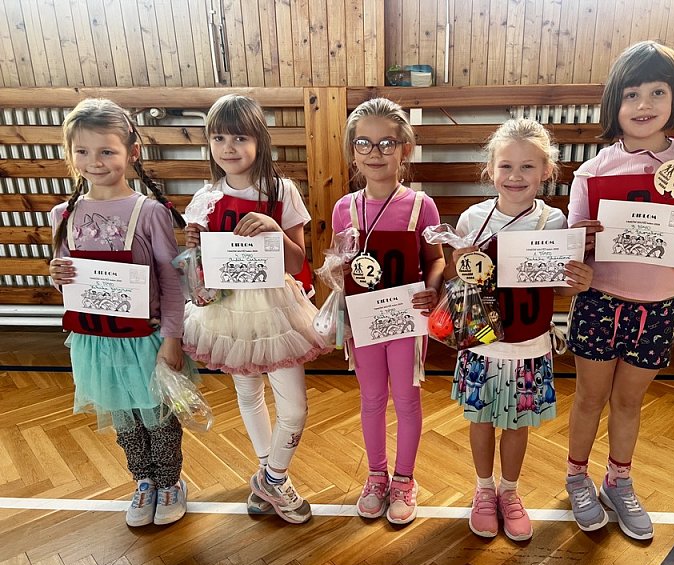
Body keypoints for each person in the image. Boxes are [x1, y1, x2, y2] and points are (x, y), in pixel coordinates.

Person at [564, 41, 674, 540]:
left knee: (629, 401)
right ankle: (576, 477)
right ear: (614, 103)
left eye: (658, 92)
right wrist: (579, 249)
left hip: (658, 307)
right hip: (599, 303)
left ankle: (619, 480)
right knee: (590, 398)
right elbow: (573, 249)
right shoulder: (592, 171)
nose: (644, 105)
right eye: (631, 94)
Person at [182, 94, 330, 524]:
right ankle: (271, 475)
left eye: (239, 137)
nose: (228, 147)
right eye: (219, 138)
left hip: (277, 308)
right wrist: (193, 248)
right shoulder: (205, 197)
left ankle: (272, 476)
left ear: (259, 141)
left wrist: (273, 229)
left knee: (294, 408)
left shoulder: (281, 191)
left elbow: (298, 263)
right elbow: (198, 268)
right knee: (248, 393)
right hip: (227, 311)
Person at [448, 118, 593, 541]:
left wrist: (579, 282)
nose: (515, 176)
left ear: (546, 171)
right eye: (506, 166)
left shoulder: (554, 221)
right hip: (482, 342)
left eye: (527, 166)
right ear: (490, 169)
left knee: (517, 424)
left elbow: (560, 285)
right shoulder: (474, 218)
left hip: (529, 344)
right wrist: (460, 264)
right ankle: (483, 489)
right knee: (480, 419)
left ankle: (509, 492)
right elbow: (458, 282)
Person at [48, 98, 190, 527]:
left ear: (132, 152)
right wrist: (57, 275)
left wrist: (172, 338)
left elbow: (171, 281)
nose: (94, 161)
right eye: (82, 151)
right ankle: (142, 480)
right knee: (124, 418)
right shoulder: (64, 214)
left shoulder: (149, 212)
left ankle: (170, 482)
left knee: (158, 417)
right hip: (95, 340)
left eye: (107, 151)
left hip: (145, 338)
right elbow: (70, 282)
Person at [331, 98, 445, 525]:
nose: (375, 153)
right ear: (353, 151)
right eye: (364, 143)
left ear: (405, 149)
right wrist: (338, 291)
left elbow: (435, 260)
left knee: (407, 399)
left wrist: (432, 289)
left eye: (386, 143)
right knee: (372, 399)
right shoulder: (344, 207)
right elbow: (341, 264)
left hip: (405, 320)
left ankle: (404, 478)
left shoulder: (421, 205)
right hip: (364, 321)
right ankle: (376, 475)